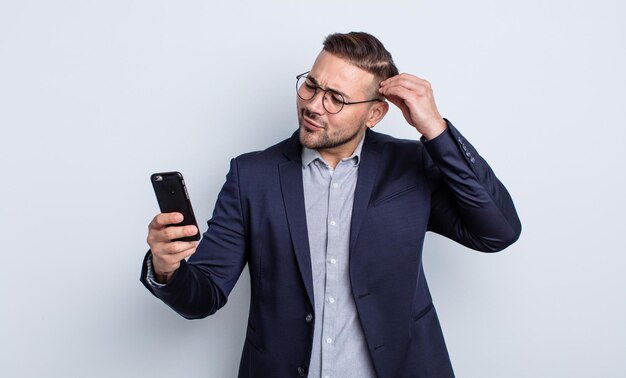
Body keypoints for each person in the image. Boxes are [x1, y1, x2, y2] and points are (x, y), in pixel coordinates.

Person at [140, 31, 521, 378]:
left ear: (375, 113)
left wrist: (435, 129)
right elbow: (202, 297)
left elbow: (497, 232)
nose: (314, 105)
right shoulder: (251, 176)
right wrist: (166, 268)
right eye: (311, 85)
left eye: (336, 98)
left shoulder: (409, 167)